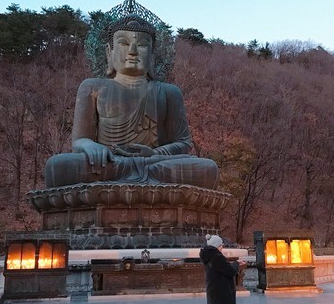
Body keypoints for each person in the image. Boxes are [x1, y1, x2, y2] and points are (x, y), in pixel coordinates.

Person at [44, 15, 219, 189]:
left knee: (207, 168)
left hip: (155, 163)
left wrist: (154, 153)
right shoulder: (92, 87)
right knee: (56, 167)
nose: (133, 50)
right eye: (124, 43)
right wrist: (90, 146)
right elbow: (79, 140)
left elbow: (183, 143)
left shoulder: (168, 92)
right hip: (109, 164)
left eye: (142, 45)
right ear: (109, 52)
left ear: (152, 56)